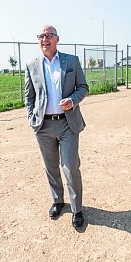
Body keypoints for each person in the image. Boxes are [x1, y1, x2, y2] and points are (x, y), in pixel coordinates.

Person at [25, 24, 89, 229]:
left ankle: (77, 209)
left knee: (70, 167)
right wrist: (32, 118)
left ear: (57, 39)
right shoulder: (32, 64)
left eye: (48, 35)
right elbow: (29, 96)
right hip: (43, 126)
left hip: (67, 124)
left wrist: (73, 100)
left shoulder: (72, 61)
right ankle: (58, 201)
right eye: (41, 36)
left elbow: (83, 87)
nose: (44, 39)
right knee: (50, 167)